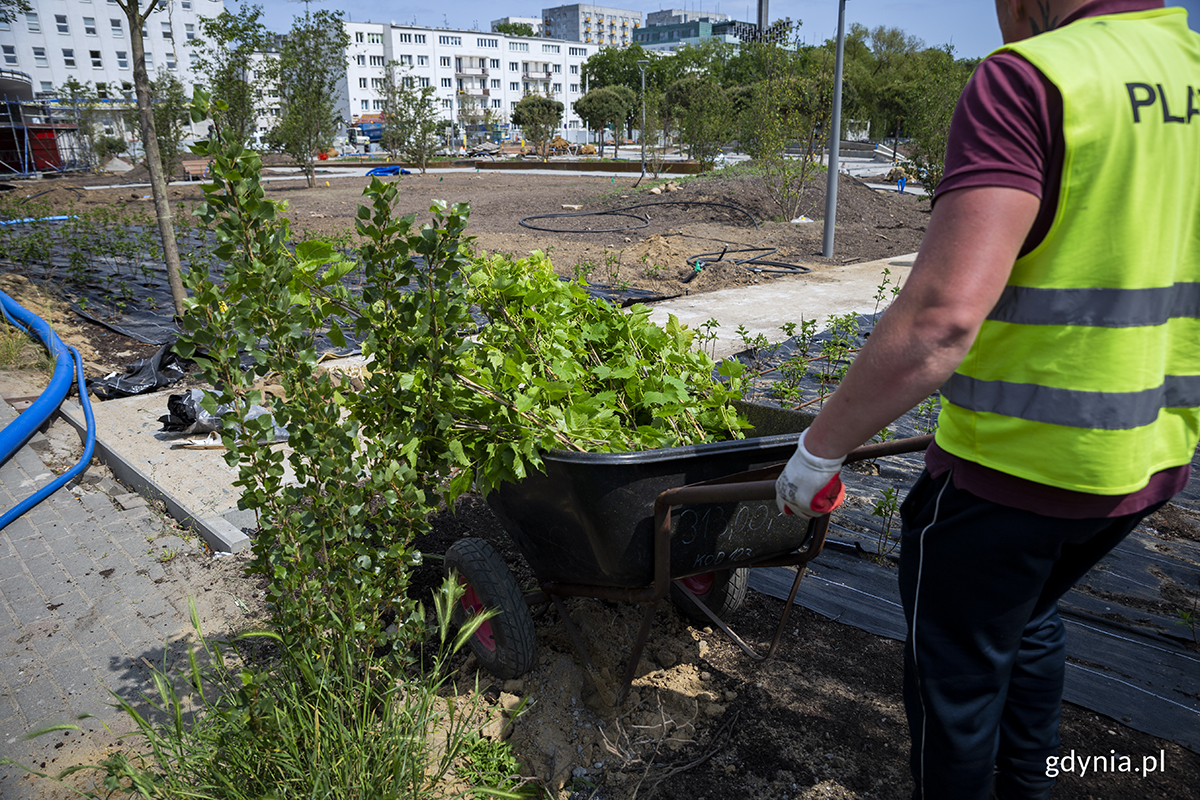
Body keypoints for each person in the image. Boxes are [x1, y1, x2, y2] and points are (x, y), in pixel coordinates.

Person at [775, 1, 1200, 798]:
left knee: (956, 685)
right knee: (1029, 616)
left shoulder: (1036, 79)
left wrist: (817, 449)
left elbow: (939, 321)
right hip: (1152, 456)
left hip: (1015, 471)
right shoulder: (1189, 72)